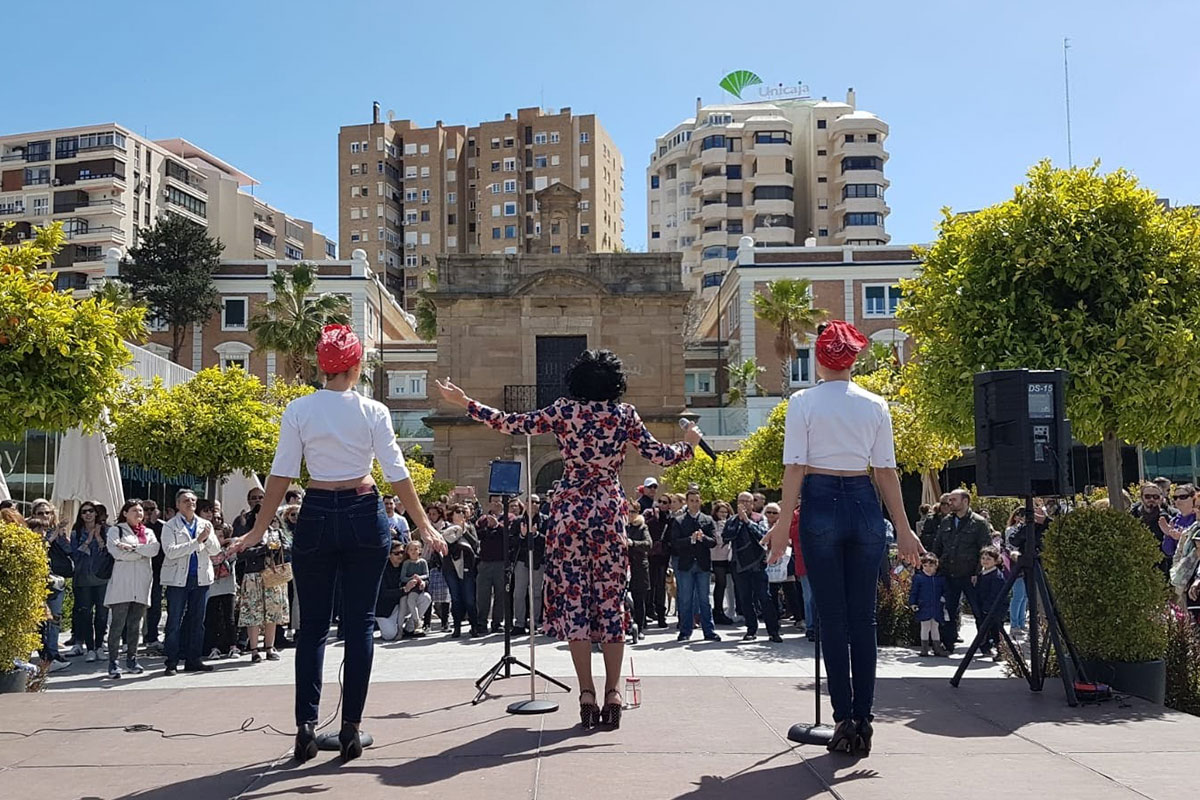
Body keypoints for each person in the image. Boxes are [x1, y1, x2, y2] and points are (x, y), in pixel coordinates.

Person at [436, 348, 699, 730]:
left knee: (575, 601)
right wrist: (688, 443)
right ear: (615, 382)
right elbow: (661, 455)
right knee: (610, 602)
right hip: (608, 511)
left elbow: (511, 423)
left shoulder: (564, 411)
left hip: (569, 512)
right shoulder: (623, 415)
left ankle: (586, 694)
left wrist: (465, 402)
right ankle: (613, 694)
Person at [231, 323, 445, 764]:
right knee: (360, 623)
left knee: (311, 627)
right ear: (357, 364)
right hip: (364, 511)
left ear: (321, 365)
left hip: (318, 511)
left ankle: (306, 728)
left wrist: (256, 530)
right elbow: (395, 471)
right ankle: (351, 729)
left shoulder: (300, 410)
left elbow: (282, 474)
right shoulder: (373, 411)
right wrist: (423, 524)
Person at [766, 320, 922, 757]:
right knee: (864, 619)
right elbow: (886, 472)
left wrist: (781, 529)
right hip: (862, 499)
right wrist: (905, 530)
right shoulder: (875, 403)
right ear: (854, 358)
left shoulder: (803, 402)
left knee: (832, 620)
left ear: (819, 357)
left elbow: (794, 466)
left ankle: (843, 718)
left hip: (819, 499)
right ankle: (865, 718)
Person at [160, 489, 221, 675]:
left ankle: (193, 660)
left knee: (197, 621)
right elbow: (170, 551)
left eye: (193, 500)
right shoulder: (170, 526)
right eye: (186, 500)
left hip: (200, 578)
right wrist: (197, 542)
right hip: (178, 579)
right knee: (174, 621)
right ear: (178, 504)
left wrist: (206, 540)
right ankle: (171, 661)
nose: (190, 503)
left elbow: (215, 549)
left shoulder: (205, 524)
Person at [103, 499, 159, 678]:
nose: (139, 514)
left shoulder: (148, 531)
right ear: (125, 513)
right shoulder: (116, 530)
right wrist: (140, 553)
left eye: (141, 511)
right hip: (122, 583)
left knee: (135, 624)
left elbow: (154, 550)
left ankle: (132, 659)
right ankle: (113, 661)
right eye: (135, 510)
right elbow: (117, 552)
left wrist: (132, 548)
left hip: (142, 583)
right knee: (118, 624)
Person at [931, 488, 992, 653]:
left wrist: (978, 571)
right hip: (949, 573)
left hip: (970, 575)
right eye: (949, 500)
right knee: (948, 610)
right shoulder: (946, 522)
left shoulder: (979, 522)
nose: (950, 503)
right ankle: (948, 643)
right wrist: (932, 564)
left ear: (965, 501)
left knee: (979, 611)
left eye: (954, 500)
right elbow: (937, 547)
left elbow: (986, 549)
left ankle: (985, 645)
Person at [237, 504, 290, 663]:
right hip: (253, 576)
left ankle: (269, 646)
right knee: (253, 613)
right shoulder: (248, 534)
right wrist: (263, 549)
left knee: (272, 612)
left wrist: (279, 548)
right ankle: (254, 649)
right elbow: (242, 554)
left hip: (272, 574)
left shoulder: (276, 532)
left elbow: (289, 547)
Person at [724, 492, 778, 642]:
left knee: (764, 598)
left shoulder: (760, 519)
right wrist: (738, 521)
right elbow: (726, 536)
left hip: (757, 564)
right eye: (741, 501)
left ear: (752, 504)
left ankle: (773, 631)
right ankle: (751, 630)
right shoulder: (732, 520)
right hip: (739, 565)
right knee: (745, 599)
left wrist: (747, 521)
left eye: (748, 501)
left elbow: (763, 535)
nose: (745, 504)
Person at [671, 489, 720, 643]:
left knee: (704, 599)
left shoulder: (707, 520)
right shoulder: (679, 521)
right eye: (691, 500)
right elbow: (674, 543)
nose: (694, 503)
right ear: (687, 502)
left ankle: (709, 631)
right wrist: (690, 540)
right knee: (685, 599)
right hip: (685, 565)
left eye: (697, 500)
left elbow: (713, 542)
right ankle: (685, 631)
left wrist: (702, 537)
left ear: (701, 501)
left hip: (703, 565)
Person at [65, 500, 110, 662]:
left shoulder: (106, 530)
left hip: (102, 578)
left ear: (96, 513)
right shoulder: (76, 532)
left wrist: (98, 537)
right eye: (84, 512)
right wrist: (88, 539)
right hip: (83, 579)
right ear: (80, 515)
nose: (88, 514)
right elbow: (75, 556)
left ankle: (99, 646)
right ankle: (89, 648)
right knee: (85, 614)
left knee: (102, 615)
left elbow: (107, 554)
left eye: (91, 511)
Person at [200, 500, 239, 660]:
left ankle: (233, 646)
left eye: (221, 536)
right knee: (212, 619)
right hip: (212, 587)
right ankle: (213, 647)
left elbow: (225, 560)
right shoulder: (210, 549)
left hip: (228, 586)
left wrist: (231, 547)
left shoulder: (232, 549)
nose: (218, 539)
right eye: (215, 536)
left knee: (229, 617)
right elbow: (213, 560)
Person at [441, 504, 479, 638]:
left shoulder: (470, 528)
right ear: (452, 514)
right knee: (456, 598)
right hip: (450, 567)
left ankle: (474, 626)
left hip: (467, 567)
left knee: (469, 598)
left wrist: (464, 532)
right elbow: (445, 546)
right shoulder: (445, 529)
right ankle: (456, 627)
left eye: (463, 512)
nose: (461, 514)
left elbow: (475, 544)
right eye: (458, 511)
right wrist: (455, 534)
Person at [512, 500, 547, 636]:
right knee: (519, 593)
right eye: (529, 501)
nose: (532, 504)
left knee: (536, 593)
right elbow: (512, 541)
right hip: (522, 560)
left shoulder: (545, 520)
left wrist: (536, 535)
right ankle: (519, 623)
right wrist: (523, 535)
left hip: (538, 561)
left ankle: (535, 622)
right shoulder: (518, 521)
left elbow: (549, 540)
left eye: (536, 502)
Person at [908, 553, 948, 657]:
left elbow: (946, 590)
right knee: (925, 627)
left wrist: (944, 598)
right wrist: (913, 603)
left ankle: (937, 648)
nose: (928, 568)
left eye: (931, 566)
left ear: (936, 566)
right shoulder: (919, 578)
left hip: (936, 606)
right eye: (925, 566)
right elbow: (914, 592)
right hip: (923, 606)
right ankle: (924, 649)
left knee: (935, 627)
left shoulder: (940, 579)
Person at [974, 545, 1006, 660]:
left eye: (988, 559)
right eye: (983, 558)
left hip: (994, 609)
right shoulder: (982, 573)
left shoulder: (997, 576)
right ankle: (986, 648)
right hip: (984, 607)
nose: (985, 561)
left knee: (996, 631)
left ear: (996, 561)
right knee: (984, 629)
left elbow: (995, 594)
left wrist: (988, 607)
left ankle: (1002, 651)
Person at [646, 494, 674, 628]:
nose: (662, 504)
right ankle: (647, 613)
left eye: (665, 502)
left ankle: (661, 616)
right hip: (650, 555)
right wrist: (653, 516)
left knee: (661, 587)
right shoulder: (650, 515)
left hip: (663, 556)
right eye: (660, 502)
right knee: (649, 585)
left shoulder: (670, 518)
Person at [141, 499, 166, 651]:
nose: (149, 512)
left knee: (155, 605)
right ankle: (127, 639)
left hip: (157, 571)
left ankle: (152, 635)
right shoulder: (137, 527)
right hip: (140, 570)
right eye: (146, 509)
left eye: (152, 509)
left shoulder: (162, 526)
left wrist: (155, 523)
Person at [625, 506, 652, 634]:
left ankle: (640, 627)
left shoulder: (642, 527)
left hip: (639, 567)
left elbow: (648, 544)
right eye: (628, 511)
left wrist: (633, 543)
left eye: (633, 512)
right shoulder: (621, 526)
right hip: (623, 568)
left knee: (639, 599)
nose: (630, 514)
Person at [710, 501, 735, 625]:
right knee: (721, 584)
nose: (724, 514)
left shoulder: (732, 523)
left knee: (730, 585)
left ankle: (731, 609)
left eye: (726, 512)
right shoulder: (713, 524)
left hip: (729, 557)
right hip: (717, 557)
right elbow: (719, 540)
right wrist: (722, 527)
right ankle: (718, 611)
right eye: (721, 512)